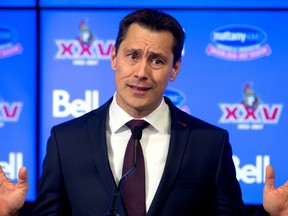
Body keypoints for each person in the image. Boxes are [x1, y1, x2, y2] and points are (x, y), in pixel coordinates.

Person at [1, 8, 288, 216]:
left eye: (157, 60)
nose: (141, 72)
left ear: (175, 69)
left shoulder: (209, 143)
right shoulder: (66, 140)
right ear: (114, 58)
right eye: (133, 55)